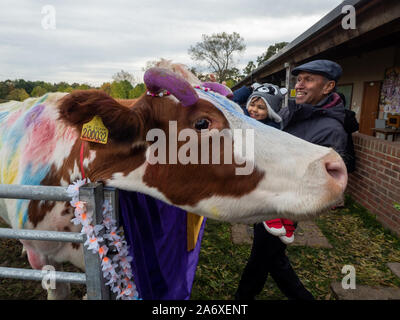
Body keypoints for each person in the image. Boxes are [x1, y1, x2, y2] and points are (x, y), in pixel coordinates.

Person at [235, 59, 358, 300]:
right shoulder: (291, 111)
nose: (299, 85)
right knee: (271, 258)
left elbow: (323, 180)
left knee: (263, 258)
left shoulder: (331, 129)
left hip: (284, 205)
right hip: (269, 195)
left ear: (328, 86)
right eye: (299, 79)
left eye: (308, 80)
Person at [233, 82, 314, 300]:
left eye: (261, 108)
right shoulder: (248, 123)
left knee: (267, 257)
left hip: (275, 198)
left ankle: (243, 298)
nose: (254, 110)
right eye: (253, 105)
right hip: (265, 198)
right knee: (270, 257)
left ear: (270, 111)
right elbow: (232, 102)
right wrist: (250, 88)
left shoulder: (271, 132)